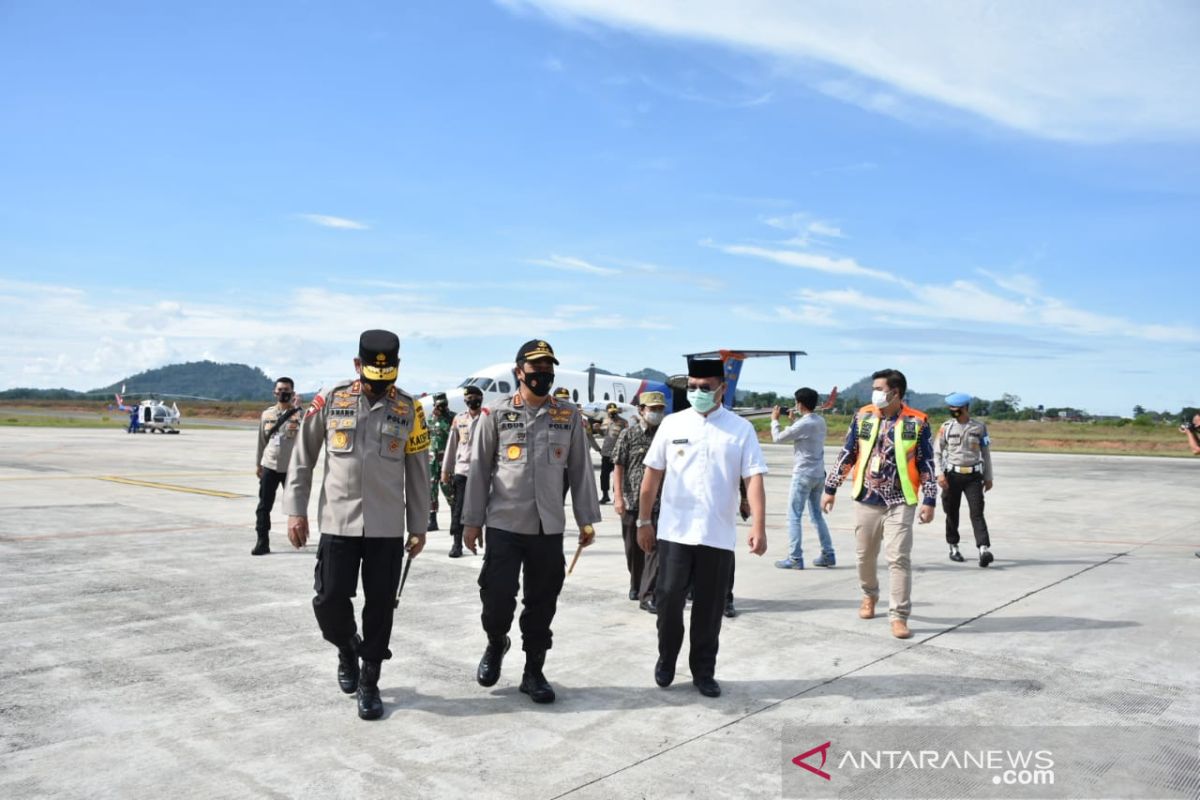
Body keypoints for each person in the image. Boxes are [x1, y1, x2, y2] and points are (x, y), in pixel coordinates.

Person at [282, 330, 431, 721]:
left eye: (389, 377)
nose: (381, 386)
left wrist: (419, 526)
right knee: (329, 599)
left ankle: (370, 681)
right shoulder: (332, 401)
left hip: (386, 528)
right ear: (356, 366)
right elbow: (302, 457)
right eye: (372, 376)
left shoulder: (409, 410)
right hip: (338, 521)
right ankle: (347, 646)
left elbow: (418, 470)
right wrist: (295, 510)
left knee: (380, 607)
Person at [462, 339, 601, 704]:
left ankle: (533, 670)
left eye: (548, 369)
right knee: (496, 599)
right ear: (519, 371)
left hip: (548, 528)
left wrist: (587, 520)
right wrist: (471, 522)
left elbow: (581, 471)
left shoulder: (568, 416)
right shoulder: (495, 414)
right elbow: (478, 471)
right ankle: (496, 642)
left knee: (542, 602)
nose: (543, 375)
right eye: (536, 368)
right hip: (504, 524)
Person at [637, 358, 767, 698]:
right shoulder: (672, 424)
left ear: (721, 389)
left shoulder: (740, 429)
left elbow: (753, 478)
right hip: (674, 532)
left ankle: (704, 671)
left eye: (704, 388)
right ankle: (666, 660)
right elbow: (652, 476)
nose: (697, 393)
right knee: (667, 603)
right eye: (692, 387)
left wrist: (759, 524)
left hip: (717, 535)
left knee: (709, 610)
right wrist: (643, 520)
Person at [822, 368, 936, 640]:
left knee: (899, 558)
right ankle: (869, 595)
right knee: (864, 556)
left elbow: (927, 464)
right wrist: (830, 487)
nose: (874, 393)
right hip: (867, 499)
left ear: (895, 393)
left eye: (879, 388)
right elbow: (848, 452)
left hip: (901, 501)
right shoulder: (863, 416)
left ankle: (898, 615)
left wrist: (929, 499)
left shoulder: (917, 422)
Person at [612, 390, 667, 613]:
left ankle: (649, 594)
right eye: (652, 409)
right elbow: (618, 466)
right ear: (641, 410)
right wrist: (617, 497)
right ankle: (636, 585)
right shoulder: (628, 434)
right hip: (631, 501)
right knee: (633, 551)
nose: (656, 413)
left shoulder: (665, 434)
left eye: (660, 409)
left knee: (654, 550)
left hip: (659, 503)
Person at [771, 387, 835, 570]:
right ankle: (828, 553)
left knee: (793, 516)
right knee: (816, 516)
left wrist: (775, 421)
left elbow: (778, 438)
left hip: (803, 474)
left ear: (799, 403)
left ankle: (795, 557)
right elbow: (804, 430)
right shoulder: (819, 421)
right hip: (818, 474)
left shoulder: (803, 424)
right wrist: (794, 421)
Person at [937, 392, 995, 567]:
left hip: (973, 477)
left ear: (965, 408)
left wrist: (988, 477)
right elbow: (937, 452)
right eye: (951, 408)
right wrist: (939, 473)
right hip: (951, 476)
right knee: (951, 512)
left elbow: (985, 453)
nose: (952, 411)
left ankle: (983, 549)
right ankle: (953, 546)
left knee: (977, 512)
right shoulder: (946, 427)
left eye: (956, 409)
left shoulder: (979, 427)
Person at [252, 377, 301, 556]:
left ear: (292, 392)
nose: (283, 393)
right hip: (270, 465)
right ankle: (262, 541)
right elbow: (261, 441)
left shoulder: (299, 414)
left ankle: (300, 537)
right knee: (264, 506)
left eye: (286, 390)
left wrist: (298, 409)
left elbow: (307, 436)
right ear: (274, 392)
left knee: (297, 505)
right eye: (280, 390)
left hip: (291, 468)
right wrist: (258, 464)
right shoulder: (267, 415)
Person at [442, 385, 487, 558]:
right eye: (469, 398)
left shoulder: (487, 418)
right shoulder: (459, 419)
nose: (472, 400)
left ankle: (487, 546)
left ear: (481, 399)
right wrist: (446, 469)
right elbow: (451, 445)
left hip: (483, 472)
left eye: (475, 397)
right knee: (458, 509)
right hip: (463, 471)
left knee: (487, 509)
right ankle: (456, 544)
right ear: (465, 401)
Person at [427, 393, 453, 531]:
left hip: (447, 459)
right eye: (439, 404)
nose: (442, 407)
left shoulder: (452, 418)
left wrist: (442, 418)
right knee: (431, 489)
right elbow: (426, 437)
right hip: (432, 460)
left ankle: (456, 518)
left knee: (448, 488)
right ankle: (432, 520)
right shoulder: (430, 418)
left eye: (444, 404)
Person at [597, 402, 628, 504]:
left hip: (618, 452)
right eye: (610, 412)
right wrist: (598, 429)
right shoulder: (605, 420)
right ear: (607, 412)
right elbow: (603, 434)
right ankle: (605, 495)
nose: (612, 414)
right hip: (606, 452)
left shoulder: (623, 422)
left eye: (614, 412)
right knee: (604, 475)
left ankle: (617, 497)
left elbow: (627, 436)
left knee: (617, 475)